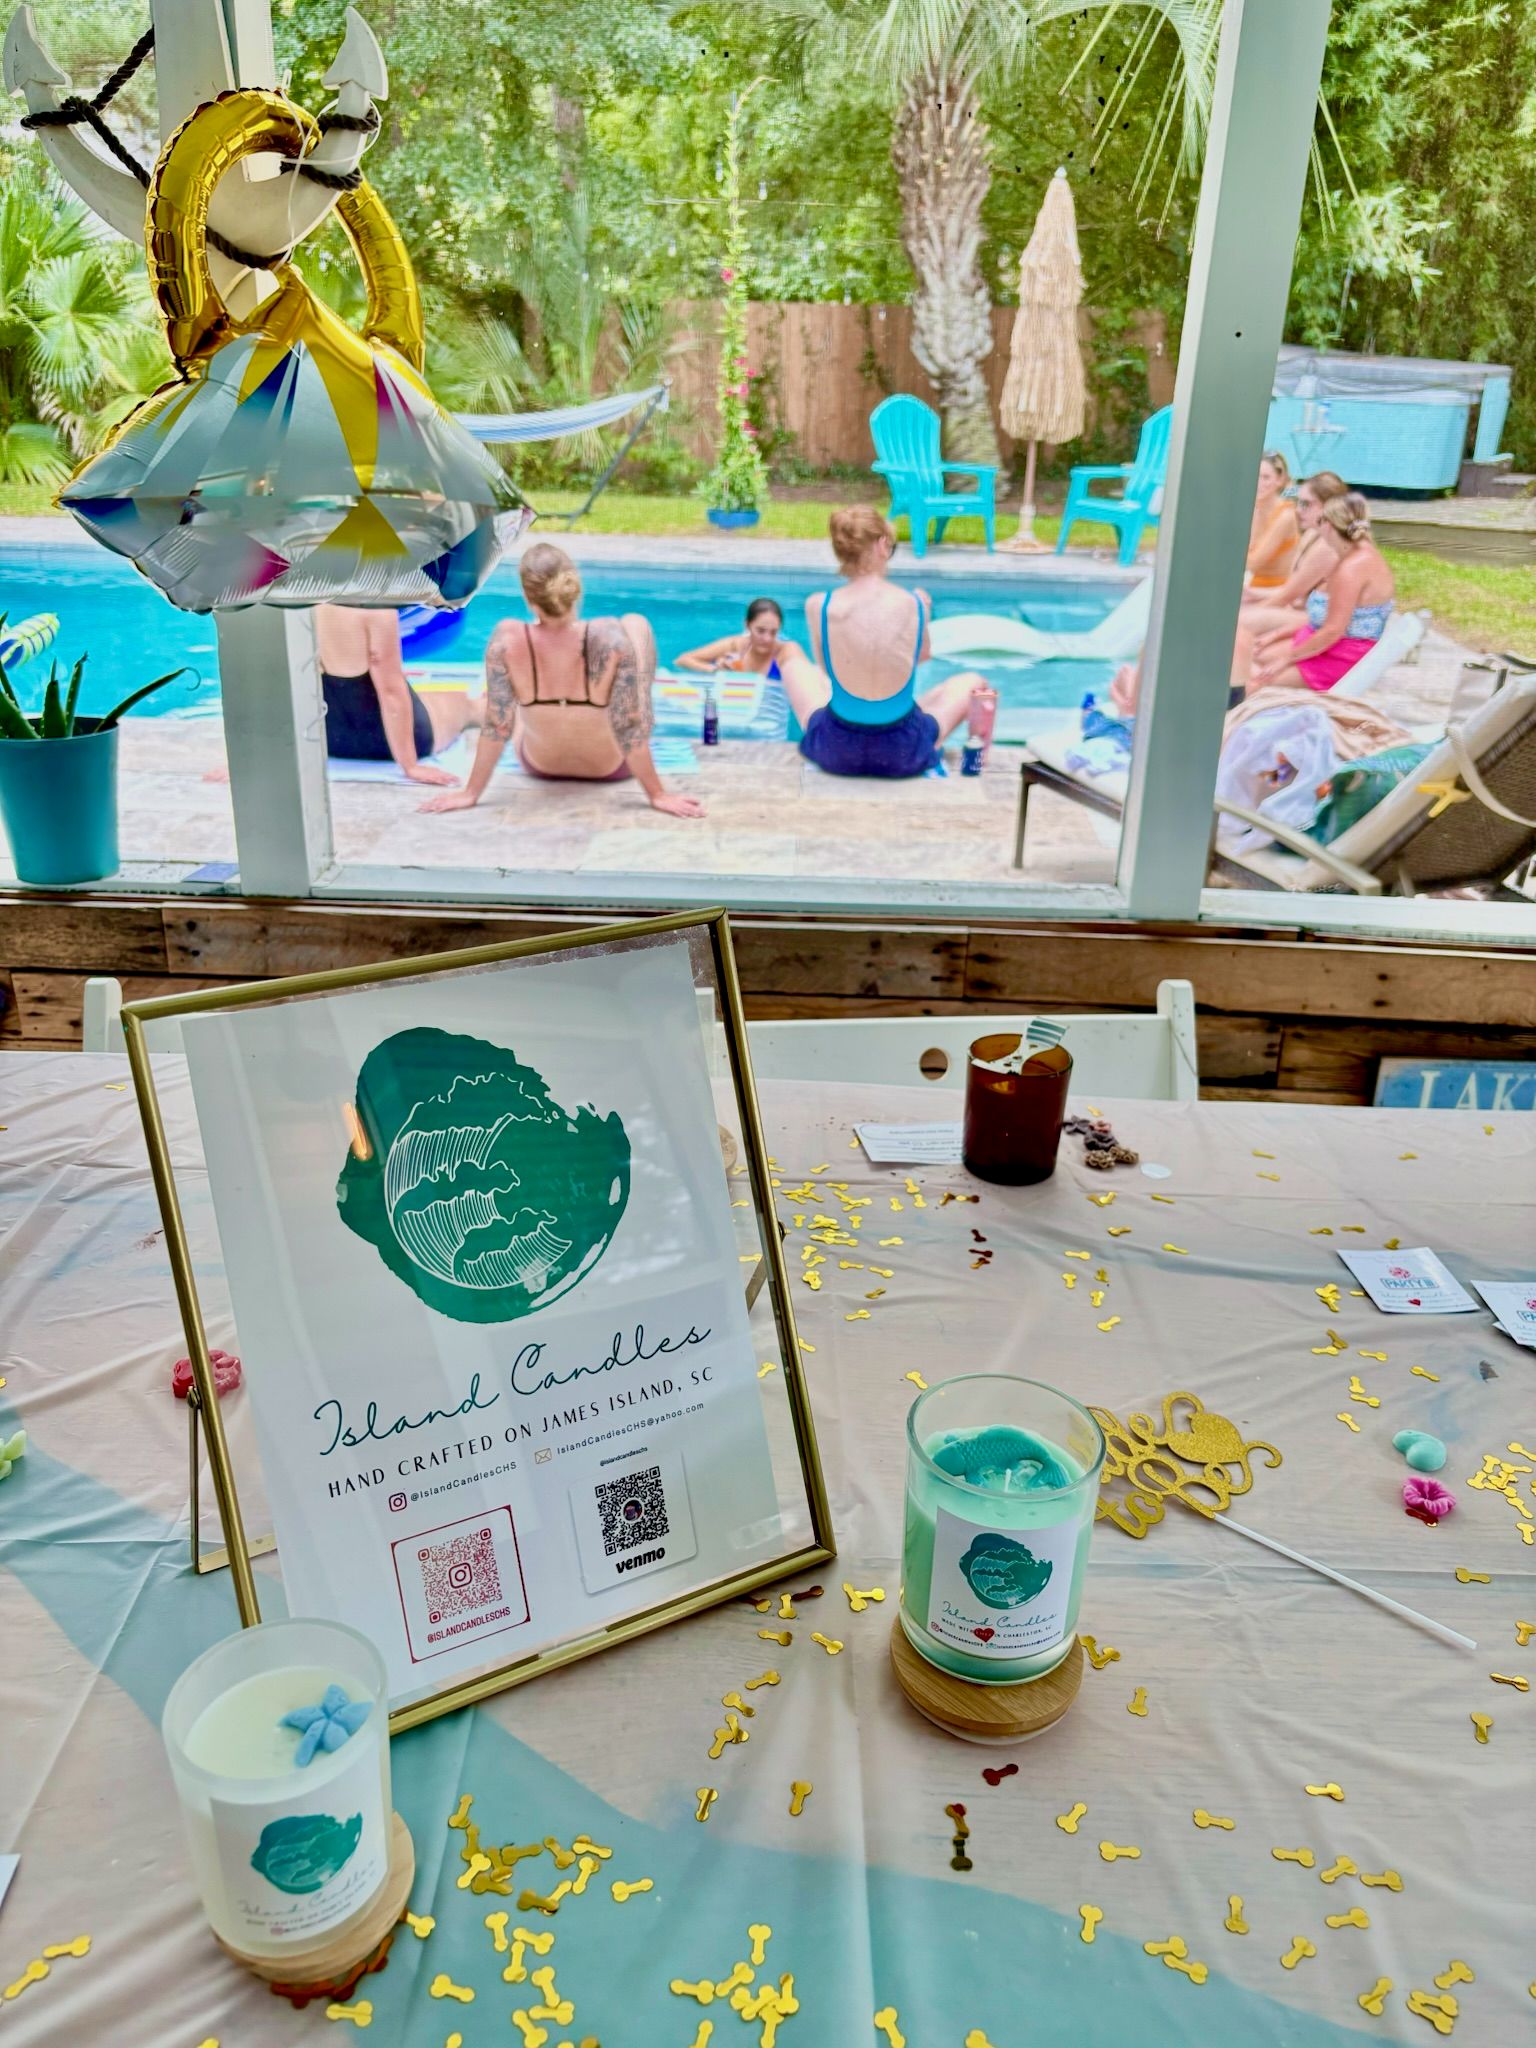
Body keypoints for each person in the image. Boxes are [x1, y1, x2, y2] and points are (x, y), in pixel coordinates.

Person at [418, 543, 705, 818]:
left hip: (540, 765)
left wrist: (471, 792)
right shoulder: (608, 635)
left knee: (507, 708)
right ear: (575, 588)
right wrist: (658, 795)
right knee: (636, 623)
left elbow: (497, 726)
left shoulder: (508, 637)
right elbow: (629, 724)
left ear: (528, 597)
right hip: (610, 767)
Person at [782, 506, 983, 779]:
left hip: (836, 750)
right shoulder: (915, 603)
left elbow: (828, 672)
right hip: (904, 752)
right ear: (882, 544)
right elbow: (922, 657)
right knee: (972, 683)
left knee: (793, 663)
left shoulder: (819, 605)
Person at [1248, 493, 1395, 695]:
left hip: (1340, 656)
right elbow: (1323, 621)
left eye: (1320, 520)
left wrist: (1286, 658)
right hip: (1326, 643)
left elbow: (1332, 630)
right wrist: (1275, 635)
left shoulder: (1351, 569)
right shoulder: (1354, 554)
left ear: (1329, 525)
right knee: (1253, 654)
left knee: (1254, 680)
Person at [316, 604, 477, 785]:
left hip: (331, 742)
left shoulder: (300, 600)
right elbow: (391, 692)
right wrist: (411, 766)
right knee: (467, 705)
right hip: (393, 745)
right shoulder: (375, 607)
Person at [1238, 468, 1349, 640]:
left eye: (1306, 504)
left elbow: (1287, 597)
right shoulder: (1312, 534)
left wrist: (1251, 609)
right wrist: (1254, 595)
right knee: (1242, 609)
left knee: (1239, 621)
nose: (1298, 510)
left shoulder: (1327, 547)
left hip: (1318, 622)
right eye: (1299, 502)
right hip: (1300, 610)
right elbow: (1291, 590)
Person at [677, 598, 793, 677]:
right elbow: (682, 660)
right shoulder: (733, 646)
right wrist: (715, 670)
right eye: (760, 631)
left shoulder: (784, 652)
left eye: (773, 632)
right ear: (747, 625)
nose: (767, 638)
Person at [1245, 450, 1301, 590]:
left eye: (1266, 477)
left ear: (1280, 480)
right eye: (1256, 476)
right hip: (1252, 585)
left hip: (1274, 590)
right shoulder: (1254, 508)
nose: (1259, 483)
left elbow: (1253, 563)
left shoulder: (1286, 516)